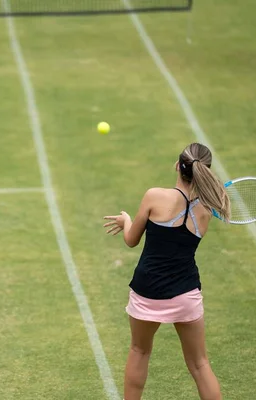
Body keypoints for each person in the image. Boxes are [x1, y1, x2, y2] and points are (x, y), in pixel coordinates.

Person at [103, 143, 230, 400]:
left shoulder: (154, 196)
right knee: (200, 365)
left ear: (177, 165)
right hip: (185, 294)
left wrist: (125, 220)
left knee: (139, 351)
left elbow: (131, 239)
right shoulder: (207, 210)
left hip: (147, 291)